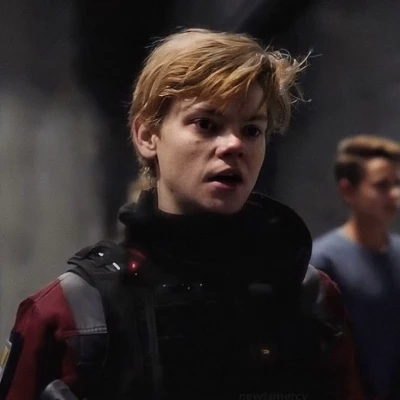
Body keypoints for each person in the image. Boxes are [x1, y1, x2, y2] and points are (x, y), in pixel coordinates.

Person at [0, 28, 364, 400]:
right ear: (147, 135)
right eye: (206, 124)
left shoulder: (310, 297)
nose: (234, 144)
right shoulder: (72, 314)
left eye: (252, 130)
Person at [311, 134, 400, 400]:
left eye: (397, 183)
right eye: (382, 185)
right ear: (348, 190)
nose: (395, 194)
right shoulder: (324, 261)